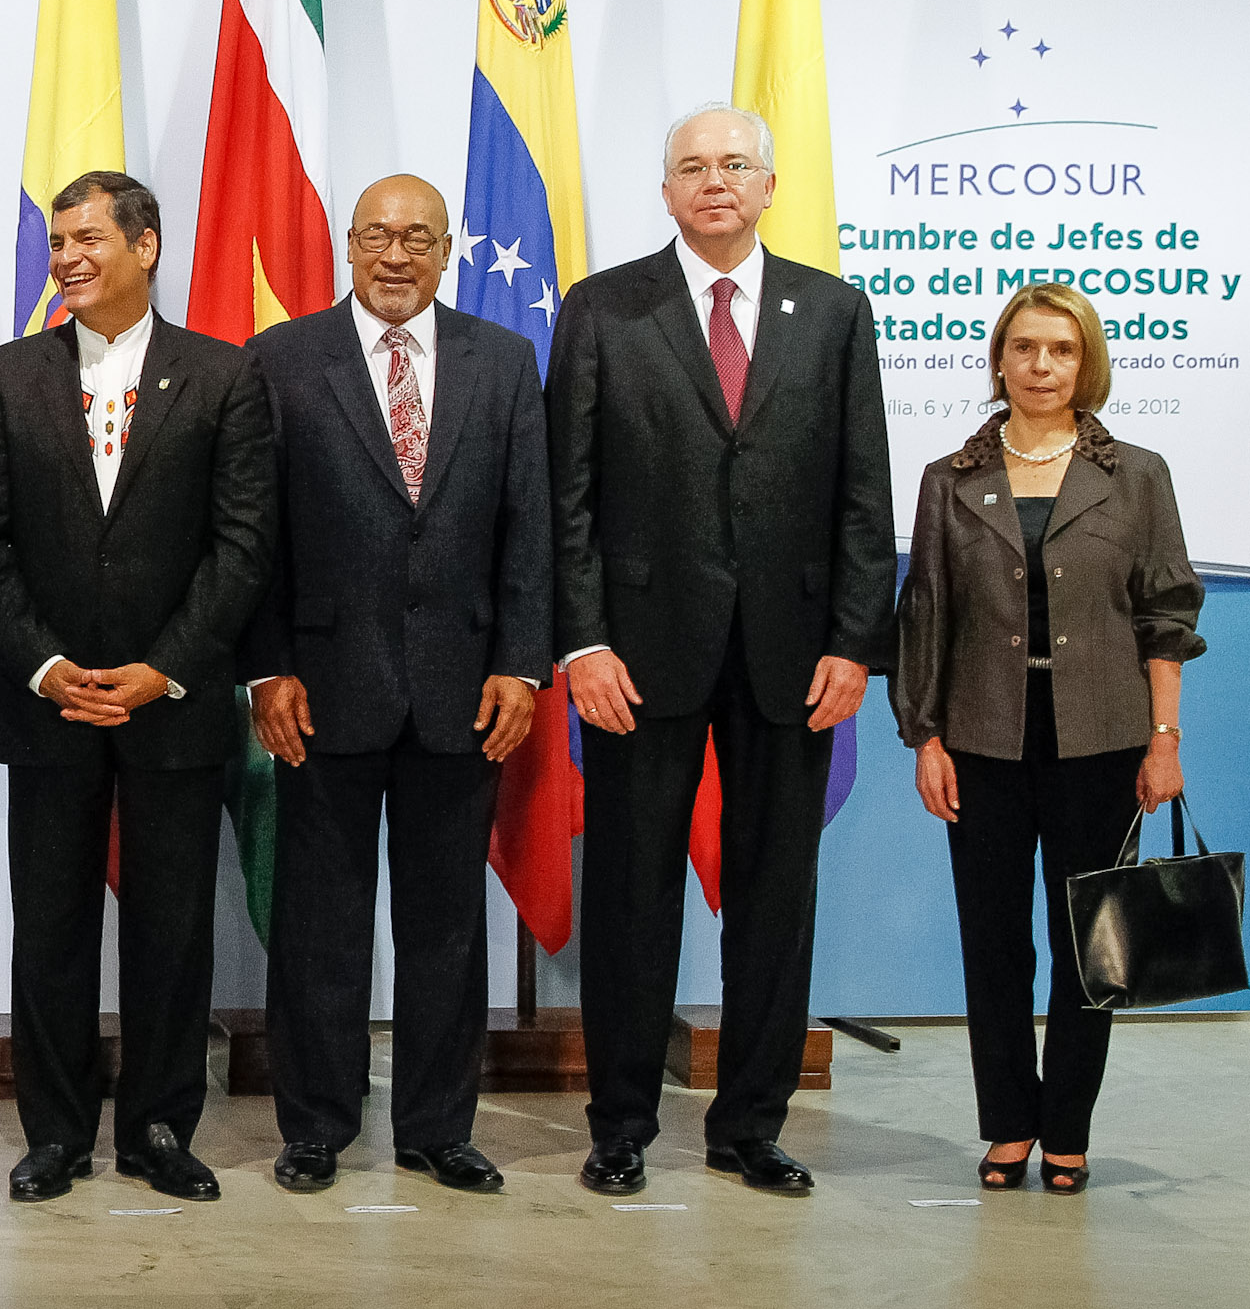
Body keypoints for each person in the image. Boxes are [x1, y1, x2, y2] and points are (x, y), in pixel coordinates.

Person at [550, 103, 892, 1198]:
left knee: (775, 897)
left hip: (793, 656)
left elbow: (862, 492)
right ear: (664, 191)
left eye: (734, 164)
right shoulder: (604, 307)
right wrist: (582, 641)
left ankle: (750, 1123)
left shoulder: (833, 312)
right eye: (692, 166)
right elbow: (567, 496)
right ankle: (619, 1125)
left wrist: (855, 642)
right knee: (629, 898)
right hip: (636, 656)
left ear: (767, 186)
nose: (714, 181)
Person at [0, 171, 274, 1206]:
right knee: (50, 928)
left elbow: (241, 545)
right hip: (48, 704)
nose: (67, 258)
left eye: (88, 238)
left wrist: (165, 668)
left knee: (171, 931)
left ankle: (157, 1128)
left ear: (146, 246)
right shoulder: (6, 375)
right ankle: (55, 1134)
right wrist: (45, 666)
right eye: (58, 243)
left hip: (173, 704)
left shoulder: (224, 375)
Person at [241, 176, 549, 1196]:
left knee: (446, 927)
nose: (395, 254)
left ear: (447, 251)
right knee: (318, 926)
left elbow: (528, 527)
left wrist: (519, 665)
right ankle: (315, 1127)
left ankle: (435, 1127)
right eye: (376, 233)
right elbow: (253, 536)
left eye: (418, 236)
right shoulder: (283, 359)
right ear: (347, 243)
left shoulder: (503, 361)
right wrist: (266, 667)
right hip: (321, 689)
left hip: (464, 691)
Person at [894, 282, 1200, 1196]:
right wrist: (926, 739)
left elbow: (1165, 615)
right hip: (981, 744)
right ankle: (1008, 1125)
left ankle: (1066, 1129)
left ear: (1085, 363)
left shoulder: (1136, 474)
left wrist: (1164, 739)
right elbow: (926, 618)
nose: (1041, 365)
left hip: (1103, 743)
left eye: (1062, 350)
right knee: (994, 947)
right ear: (999, 360)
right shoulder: (949, 479)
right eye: (1024, 348)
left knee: (1088, 945)